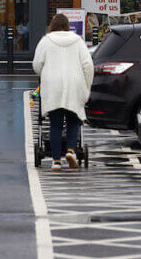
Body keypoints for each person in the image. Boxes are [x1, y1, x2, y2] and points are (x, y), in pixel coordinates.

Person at [33, 13, 94, 171]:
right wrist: (87, 86)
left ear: (52, 26)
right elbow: (88, 65)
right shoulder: (78, 41)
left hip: (53, 86)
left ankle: (55, 161)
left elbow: (36, 65)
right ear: (67, 26)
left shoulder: (46, 41)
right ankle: (71, 151)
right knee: (73, 120)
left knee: (56, 124)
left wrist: (44, 72)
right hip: (74, 84)